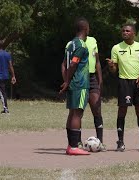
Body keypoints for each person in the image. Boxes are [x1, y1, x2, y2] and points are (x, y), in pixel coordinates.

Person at [107, 24, 139, 152]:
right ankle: (120, 142)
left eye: (127, 31)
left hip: (138, 82)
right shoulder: (116, 48)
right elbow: (114, 70)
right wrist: (111, 66)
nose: (124, 32)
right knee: (122, 111)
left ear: (134, 33)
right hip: (124, 82)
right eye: (123, 31)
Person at [60, 17, 90, 155]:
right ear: (85, 29)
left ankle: (70, 145)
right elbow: (73, 64)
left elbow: (63, 64)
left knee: (72, 112)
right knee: (78, 113)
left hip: (72, 83)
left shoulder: (69, 44)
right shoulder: (81, 45)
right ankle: (73, 146)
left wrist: (66, 80)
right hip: (80, 83)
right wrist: (67, 81)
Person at [0, 39, 16, 114]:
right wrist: (13, 76)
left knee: (2, 93)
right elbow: (10, 65)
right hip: (5, 76)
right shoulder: (7, 54)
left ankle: (6, 110)